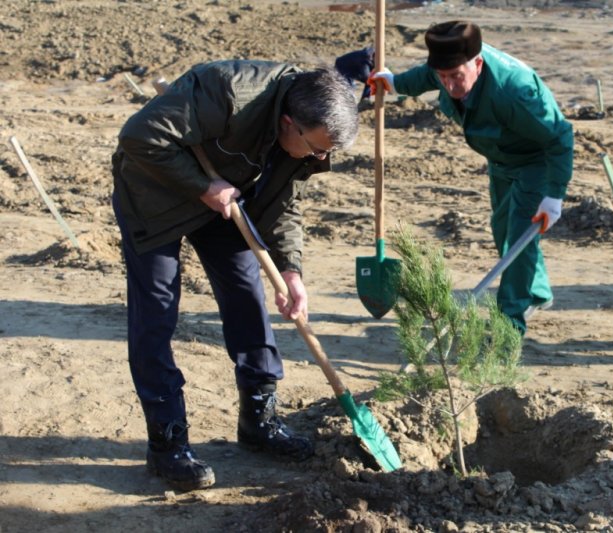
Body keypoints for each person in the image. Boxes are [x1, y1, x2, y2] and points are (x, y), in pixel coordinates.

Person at [111, 60, 359, 491]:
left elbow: (284, 202)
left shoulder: (304, 135)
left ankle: (258, 421)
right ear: (288, 123)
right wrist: (203, 187)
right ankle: (167, 443)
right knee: (156, 314)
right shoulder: (229, 93)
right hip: (154, 194)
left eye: (327, 153)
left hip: (226, 202)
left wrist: (292, 270)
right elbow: (139, 137)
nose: (321, 159)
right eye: (317, 149)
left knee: (247, 295)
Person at [368, 20, 573, 334]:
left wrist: (554, 194)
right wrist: (395, 83)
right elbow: (425, 75)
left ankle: (509, 326)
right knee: (503, 228)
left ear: (478, 63)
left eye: (456, 77)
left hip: (536, 163)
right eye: (443, 77)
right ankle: (538, 292)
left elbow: (559, 138)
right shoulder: (448, 67)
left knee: (520, 235)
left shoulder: (515, 91)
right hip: (502, 158)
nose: (449, 85)